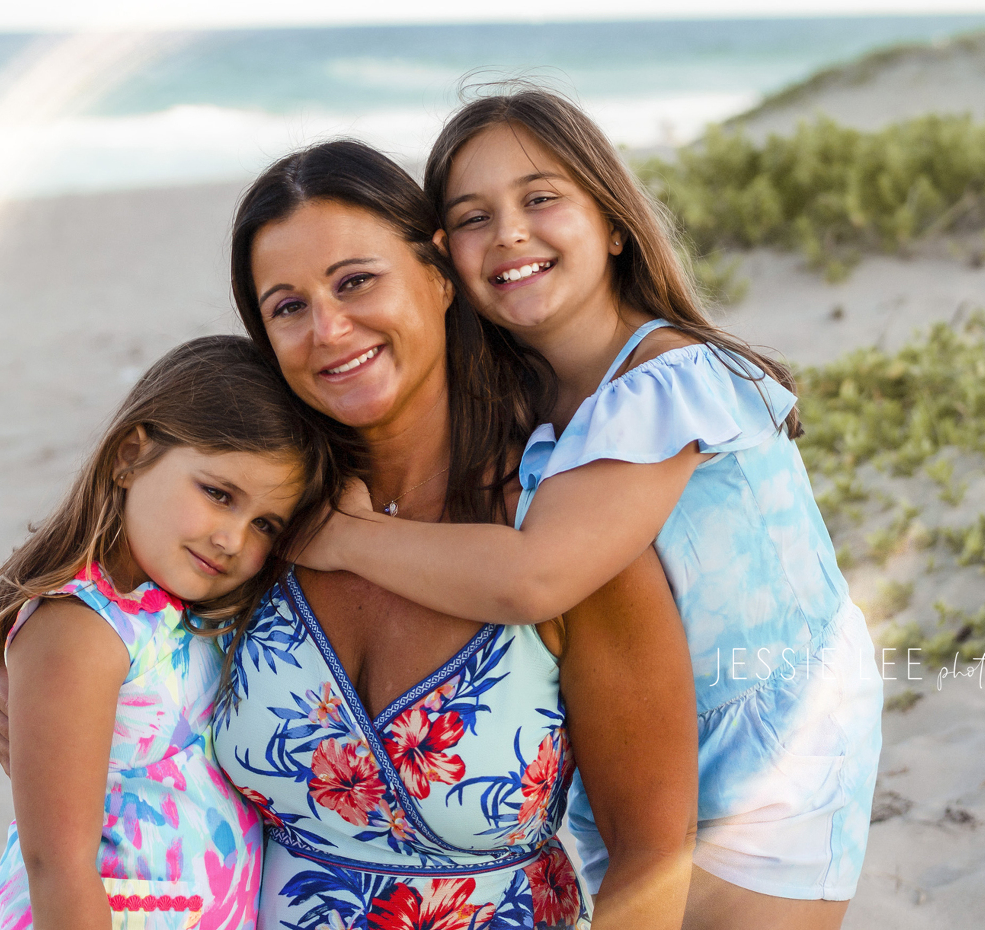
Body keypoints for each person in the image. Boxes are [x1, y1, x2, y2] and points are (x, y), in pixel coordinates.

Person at [0, 142, 699, 929]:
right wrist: (11, 671)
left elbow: (654, 856)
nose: (327, 328)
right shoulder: (255, 537)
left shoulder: (560, 533)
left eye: (356, 281)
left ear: (437, 271)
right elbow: (111, 638)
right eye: (287, 306)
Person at [297, 90, 885, 930]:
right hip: (645, 737)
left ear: (611, 222)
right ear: (445, 259)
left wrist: (347, 535)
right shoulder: (534, 405)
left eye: (541, 199)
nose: (509, 233)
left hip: (778, 740)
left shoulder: (667, 378)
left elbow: (537, 577)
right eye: (473, 217)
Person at [0, 335, 345, 930]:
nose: (232, 539)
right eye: (219, 494)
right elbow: (56, 864)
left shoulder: (191, 614)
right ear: (129, 456)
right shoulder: (82, 630)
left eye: (265, 524)